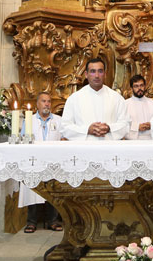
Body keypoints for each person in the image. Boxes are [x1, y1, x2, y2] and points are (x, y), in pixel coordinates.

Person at [19, 92, 63, 233]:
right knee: (32, 190)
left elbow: (64, 139)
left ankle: (53, 220)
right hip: (34, 162)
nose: (47, 104)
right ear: (37, 104)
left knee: (53, 190)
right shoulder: (29, 120)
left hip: (53, 161)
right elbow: (23, 139)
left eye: (49, 101)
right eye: (43, 101)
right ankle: (31, 221)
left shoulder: (58, 120)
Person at [61, 58, 131, 141]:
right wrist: (87, 130)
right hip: (83, 149)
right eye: (93, 71)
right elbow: (65, 128)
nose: (97, 75)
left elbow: (126, 124)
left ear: (105, 74)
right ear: (86, 74)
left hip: (110, 148)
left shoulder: (116, 98)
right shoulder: (74, 98)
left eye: (100, 71)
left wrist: (109, 128)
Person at [125, 75, 153, 140]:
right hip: (133, 141)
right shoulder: (125, 104)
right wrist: (137, 127)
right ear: (131, 88)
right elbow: (122, 124)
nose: (139, 88)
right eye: (136, 86)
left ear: (145, 86)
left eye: (141, 85)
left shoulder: (152, 103)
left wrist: (151, 125)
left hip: (151, 140)